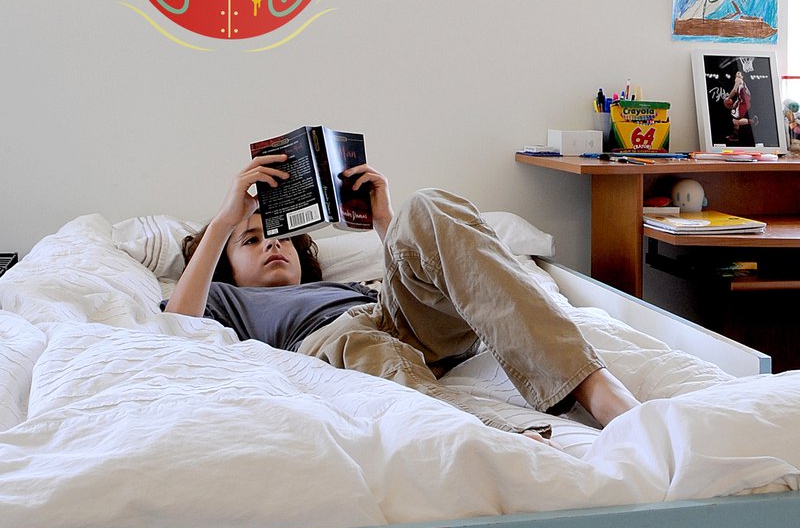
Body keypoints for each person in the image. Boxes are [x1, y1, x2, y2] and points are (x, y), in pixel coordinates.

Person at [167, 155, 639, 439]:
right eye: (251, 241)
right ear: (226, 265)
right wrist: (226, 221)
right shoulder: (227, 298)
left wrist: (384, 219)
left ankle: (590, 385)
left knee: (427, 203)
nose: (272, 245)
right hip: (336, 340)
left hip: (387, 313)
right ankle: (494, 435)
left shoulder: (338, 284)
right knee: (362, 341)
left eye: (281, 238)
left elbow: (419, 265)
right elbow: (176, 324)